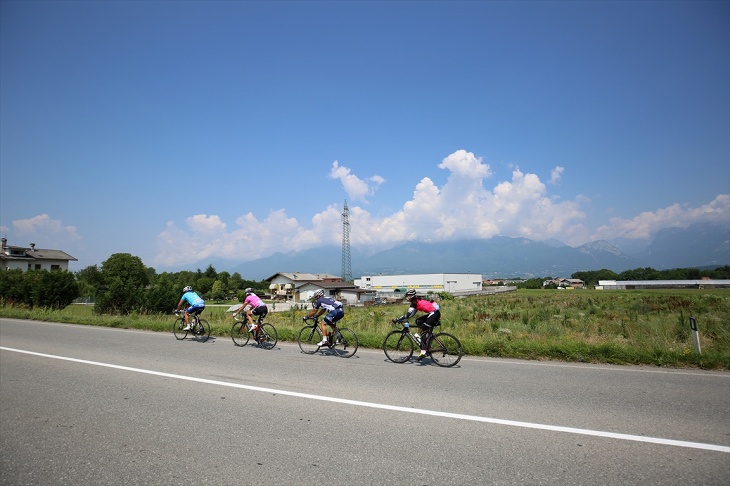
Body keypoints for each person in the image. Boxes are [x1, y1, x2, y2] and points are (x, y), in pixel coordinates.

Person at [393, 289, 440, 361]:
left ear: (411, 296)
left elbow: (408, 314)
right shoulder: (415, 303)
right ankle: (426, 341)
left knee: (424, 328)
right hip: (434, 313)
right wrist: (401, 318)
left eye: (407, 296)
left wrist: (397, 319)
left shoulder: (415, 303)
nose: (406, 298)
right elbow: (410, 314)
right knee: (418, 321)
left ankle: (423, 352)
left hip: (434, 314)